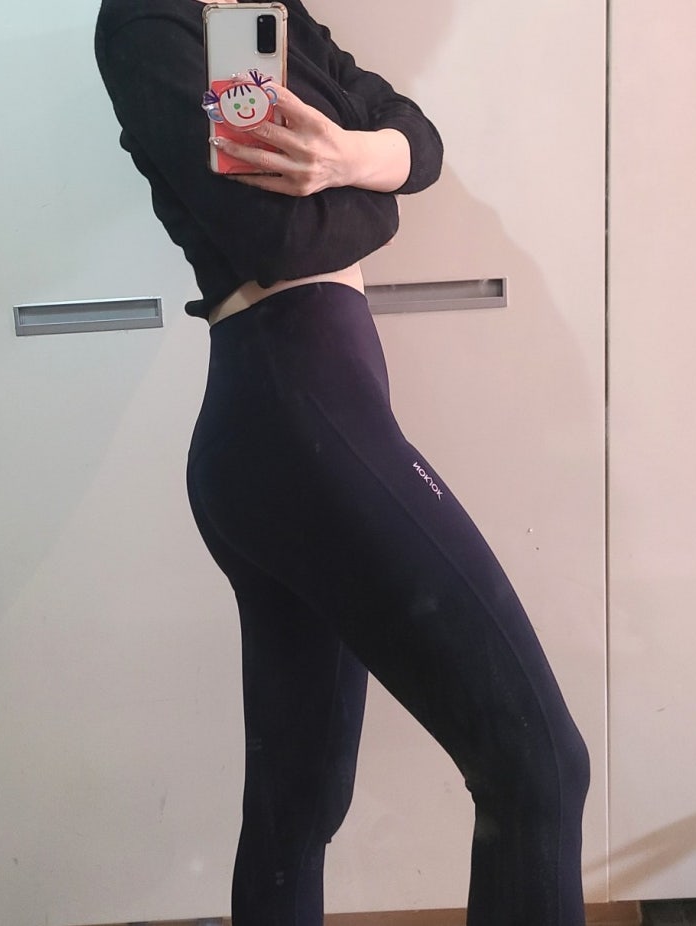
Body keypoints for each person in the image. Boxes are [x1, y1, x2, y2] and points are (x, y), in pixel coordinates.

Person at [95, 1, 590, 924]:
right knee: (540, 768)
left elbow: (418, 138)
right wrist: (375, 179)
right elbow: (280, 240)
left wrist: (345, 160)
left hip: (298, 429)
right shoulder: (147, 23)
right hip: (291, 421)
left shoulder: (267, 15)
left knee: (298, 805)